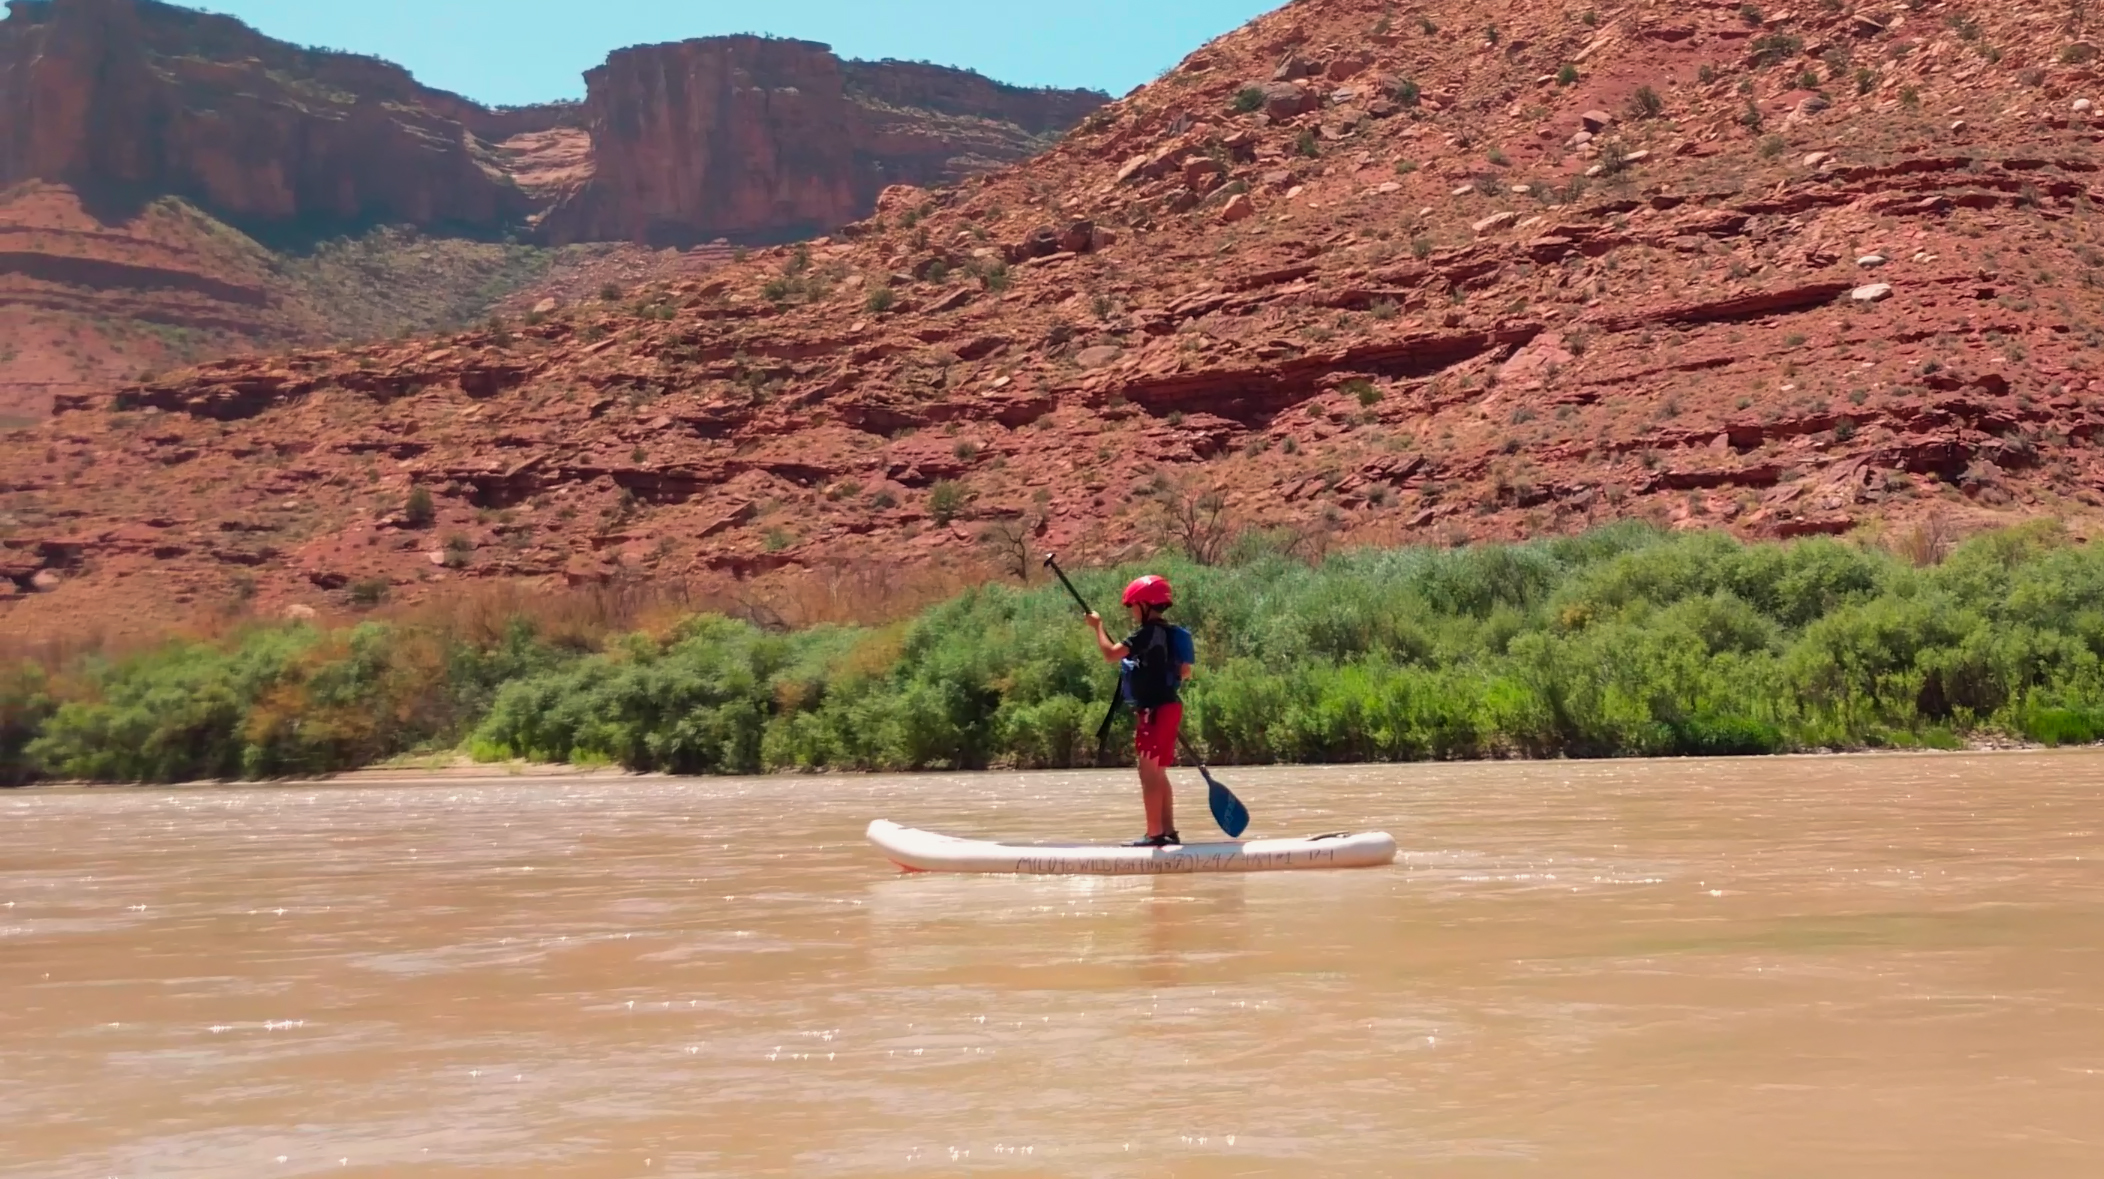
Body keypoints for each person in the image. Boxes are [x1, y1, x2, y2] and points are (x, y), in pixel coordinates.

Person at [1087, 574, 1196, 847]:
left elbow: (1111, 654)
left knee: (1148, 774)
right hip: (1170, 707)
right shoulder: (1173, 634)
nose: (1133, 612)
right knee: (1158, 773)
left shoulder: (1147, 633)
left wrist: (1097, 626)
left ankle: (1154, 834)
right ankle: (1168, 831)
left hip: (1154, 711)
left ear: (1146, 605)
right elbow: (1185, 673)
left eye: (1134, 606)